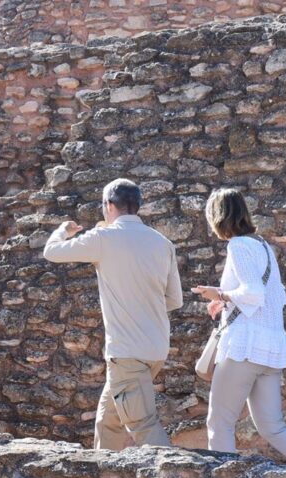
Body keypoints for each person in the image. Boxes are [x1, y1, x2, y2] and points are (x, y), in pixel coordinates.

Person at [43, 178, 183, 450]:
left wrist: (63, 230)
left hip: (126, 352)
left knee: (142, 424)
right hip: (155, 349)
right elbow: (174, 299)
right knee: (108, 422)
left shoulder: (103, 238)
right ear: (138, 206)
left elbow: (51, 252)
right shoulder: (163, 243)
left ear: (108, 206)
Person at [191, 188, 286, 466]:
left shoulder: (238, 245)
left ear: (217, 216)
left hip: (244, 349)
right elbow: (267, 299)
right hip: (269, 350)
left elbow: (252, 294)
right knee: (272, 426)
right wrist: (224, 301)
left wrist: (221, 295)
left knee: (220, 422)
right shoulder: (262, 245)